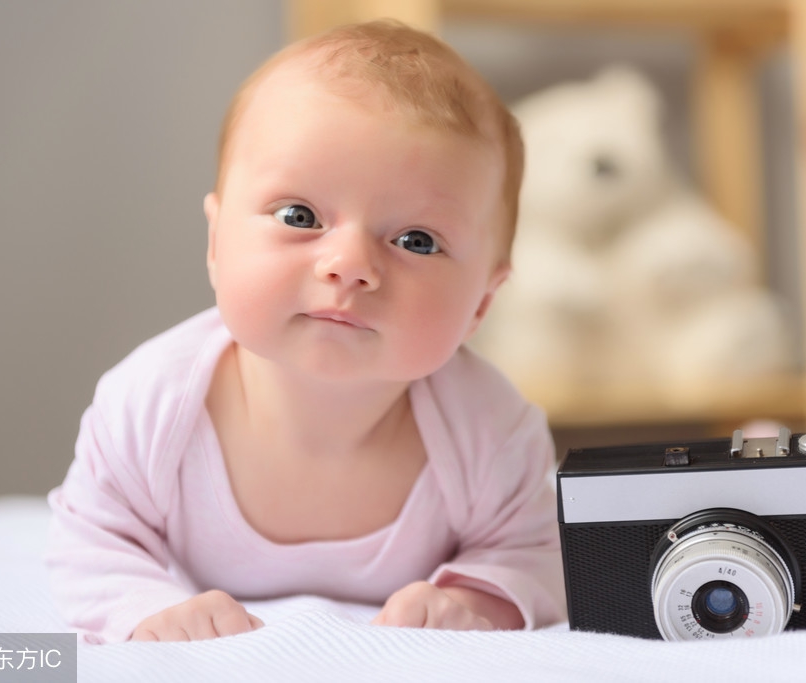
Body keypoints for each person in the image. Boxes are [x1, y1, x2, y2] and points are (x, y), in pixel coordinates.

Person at [45, 20, 566, 644]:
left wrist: (474, 600)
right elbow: (93, 540)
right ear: (216, 242)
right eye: (300, 216)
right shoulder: (149, 404)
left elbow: (538, 554)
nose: (349, 264)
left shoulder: (491, 431)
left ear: (482, 301)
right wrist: (145, 610)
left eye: (417, 241)